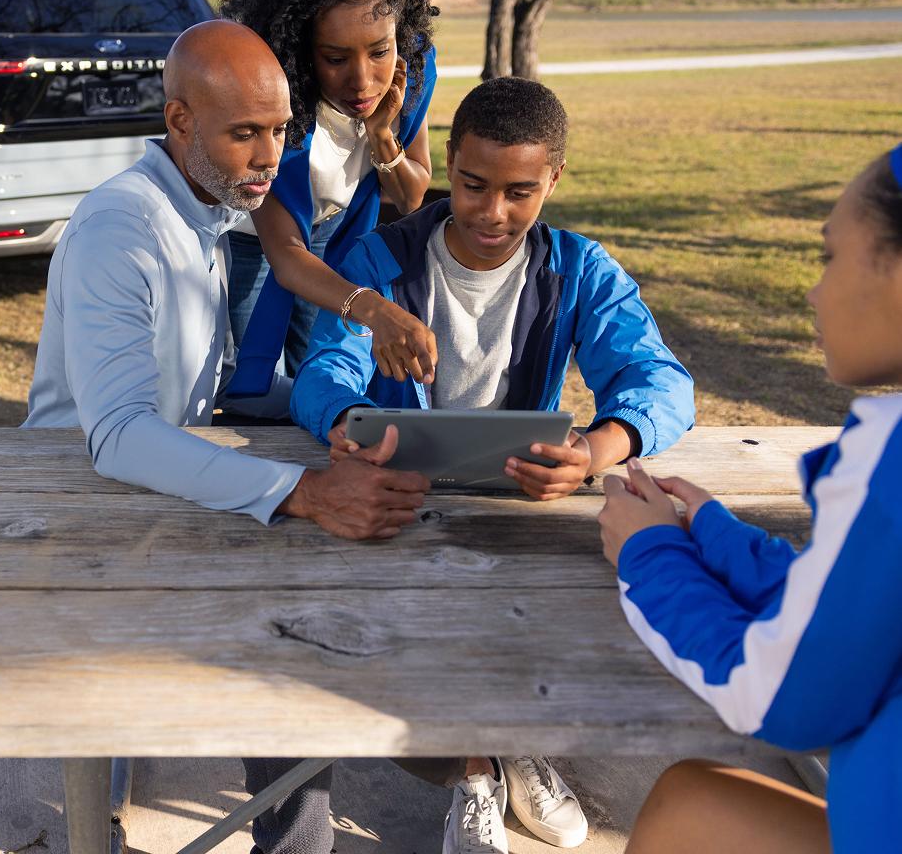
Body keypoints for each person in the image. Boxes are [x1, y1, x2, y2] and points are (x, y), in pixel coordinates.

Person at [289, 77, 696, 853]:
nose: (492, 213)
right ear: (449, 164)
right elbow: (322, 374)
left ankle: (514, 742)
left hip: (519, 504)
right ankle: (481, 767)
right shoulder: (383, 256)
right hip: (399, 492)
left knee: (568, 601)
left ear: (554, 182)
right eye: (473, 185)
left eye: (520, 192)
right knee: (395, 619)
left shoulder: (579, 268)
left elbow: (662, 382)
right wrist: (346, 423)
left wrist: (592, 453)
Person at [596, 145, 902, 854]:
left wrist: (649, 552)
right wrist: (712, 531)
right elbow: (853, 604)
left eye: (830, 259)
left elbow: (779, 699)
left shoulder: (889, 457)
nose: (813, 293)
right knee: (691, 804)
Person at [23, 19, 429, 542]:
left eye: (280, 130)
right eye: (245, 133)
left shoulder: (209, 210)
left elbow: (221, 384)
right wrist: (307, 492)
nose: (270, 158)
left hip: (166, 493)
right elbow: (118, 436)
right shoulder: (120, 229)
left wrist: (348, 412)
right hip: (65, 500)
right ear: (180, 120)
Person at [218, 0, 439, 411]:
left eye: (379, 51)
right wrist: (373, 309)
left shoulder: (412, 73)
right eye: (336, 58)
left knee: (318, 369)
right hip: (254, 241)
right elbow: (285, 255)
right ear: (300, 50)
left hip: (332, 233)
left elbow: (410, 195)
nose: (363, 81)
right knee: (257, 388)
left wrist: (383, 136)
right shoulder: (277, 101)